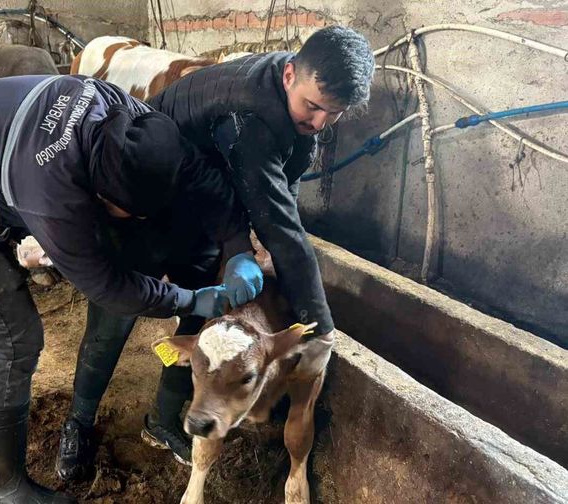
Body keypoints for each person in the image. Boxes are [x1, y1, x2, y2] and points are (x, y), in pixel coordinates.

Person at [0, 73, 258, 503]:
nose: (136, 221)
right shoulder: (54, 195)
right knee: (12, 332)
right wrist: (188, 299)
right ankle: (1, 487)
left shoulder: (135, 122)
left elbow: (195, 173)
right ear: (98, 194)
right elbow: (105, 286)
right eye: (129, 213)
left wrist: (236, 246)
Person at [55, 25, 376, 477]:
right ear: (289, 75)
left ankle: (162, 421)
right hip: (144, 213)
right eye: (314, 107)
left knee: (201, 325)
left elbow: (279, 190)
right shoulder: (251, 117)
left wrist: (236, 246)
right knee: (114, 316)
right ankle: (79, 423)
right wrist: (320, 327)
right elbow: (281, 226)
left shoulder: (294, 97)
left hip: (209, 221)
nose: (320, 123)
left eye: (334, 114)